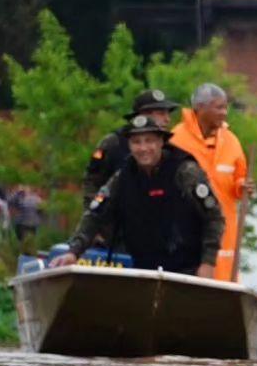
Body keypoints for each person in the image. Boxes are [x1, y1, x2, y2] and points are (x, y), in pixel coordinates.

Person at [49, 115, 225, 277]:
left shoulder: (185, 171)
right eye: (136, 142)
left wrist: (208, 263)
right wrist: (73, 252)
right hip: (143, 268)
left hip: (187, 270)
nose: (143, 148)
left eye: (149, 141)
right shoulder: (123, 176)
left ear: (161, 142)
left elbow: (214, 217)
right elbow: (95, 213)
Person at [171, 83, 256, 281]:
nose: (225, 113)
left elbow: (239, 179)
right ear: (200, 108)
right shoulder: (176, 139)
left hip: (224, 230)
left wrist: (243, 186)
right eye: (219, 107)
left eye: (225, 107)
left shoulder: (232, 141)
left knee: (224, 285)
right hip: (186, 230)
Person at [85, 89, 181, 204]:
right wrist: (96, 211)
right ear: (143, 116)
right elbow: (93, 181)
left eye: (168, 114)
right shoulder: (113, 143)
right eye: (161, 114)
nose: (167, 119)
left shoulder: (168, 146)